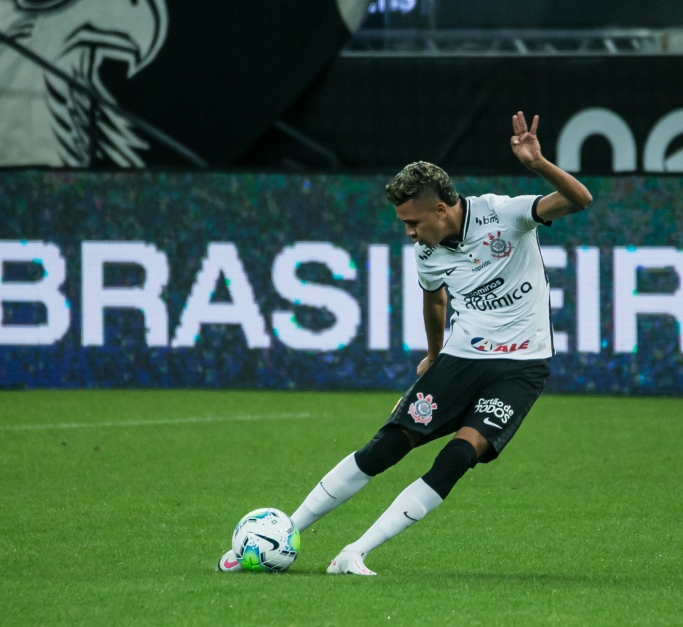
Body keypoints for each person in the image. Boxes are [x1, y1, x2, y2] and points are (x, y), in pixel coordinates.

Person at [219, 111, 593, 575]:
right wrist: (435, 357)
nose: (409, 232)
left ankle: (355, 552)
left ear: (441, 209)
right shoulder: (428, 252)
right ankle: (280, 533)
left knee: (457, 458)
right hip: (461, 359)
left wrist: (538, 164)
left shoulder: (504, 214)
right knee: (385, 448)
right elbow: (434, 302)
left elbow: (580, 200)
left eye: (412, 221)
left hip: (522, 366)